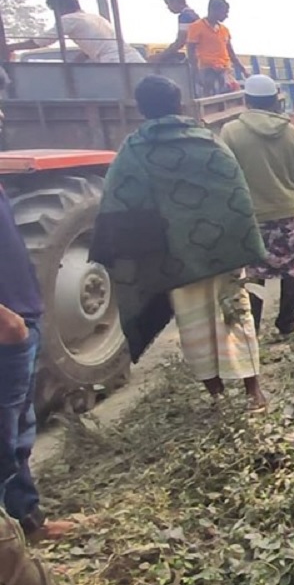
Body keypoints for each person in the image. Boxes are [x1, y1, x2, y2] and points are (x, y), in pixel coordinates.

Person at [89, 76, 269, 412]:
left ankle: (217, 398)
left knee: (195, 326)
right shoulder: (208, 142)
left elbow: (119, 204)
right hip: (224, 253)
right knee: (237, 316)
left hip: (177, 262)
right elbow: (236, 195)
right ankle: (253, 392)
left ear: (141, 110)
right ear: (180, 104)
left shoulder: (133, 150)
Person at [0, 186, 75, 544]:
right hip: (7, 330)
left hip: (21, 323)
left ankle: (28, 524)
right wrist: (8, 324)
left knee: (18, 436)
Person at [220, 75, 294, 340]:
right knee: (291, 270)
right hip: (287, 213)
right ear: (275, 99)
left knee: (252, 275)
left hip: (249, 217)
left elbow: (224, 178)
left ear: (246, 100)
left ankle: (252, 330)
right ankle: (287, 326)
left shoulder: (230, 132)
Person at [5, 0, 145, 63]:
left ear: (60, 7)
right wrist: (76, 63)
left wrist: (8, 47)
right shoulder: (94, 17)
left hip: (114, 62)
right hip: (134, 60)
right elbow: (94, 47)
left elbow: (40, 42)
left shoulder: (69, 19)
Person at [186, 0, 247, 97]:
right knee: (209, 98)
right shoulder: (196, 27)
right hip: (207, 71)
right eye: (224, 12)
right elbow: (191, 51)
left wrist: (243, 70)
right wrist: (195, 72)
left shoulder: (224, 30)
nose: (226, 16)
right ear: (213, 10)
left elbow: (231, 52)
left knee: (233, 96)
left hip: (224, 70)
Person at [151, 0, 200, 64]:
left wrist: (161, 56)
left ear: (175, 0)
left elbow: (180, 41)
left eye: (168, 3)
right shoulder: (193, 14)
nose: (168, 7)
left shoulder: (185, 16)